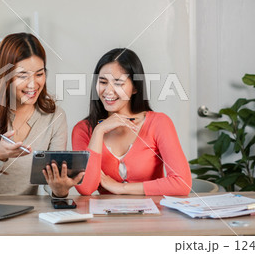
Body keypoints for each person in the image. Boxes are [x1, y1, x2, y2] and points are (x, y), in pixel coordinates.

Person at [0, 33, 83, 197]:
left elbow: (49, 185)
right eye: (22, 76)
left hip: (23, 211)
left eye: (39, 74)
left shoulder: (55, 116)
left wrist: (60, 190)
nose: (33, 84)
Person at [72, 48, 192, 196]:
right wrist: (99, 131)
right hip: (105, 218)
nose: (108, 91)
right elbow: (85, 188)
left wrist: (121, 188)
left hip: (155, 217)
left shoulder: (159, 123)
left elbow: (182, 184)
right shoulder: (83, 130)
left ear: (135, 87)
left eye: (118, 83)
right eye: (103, 82)